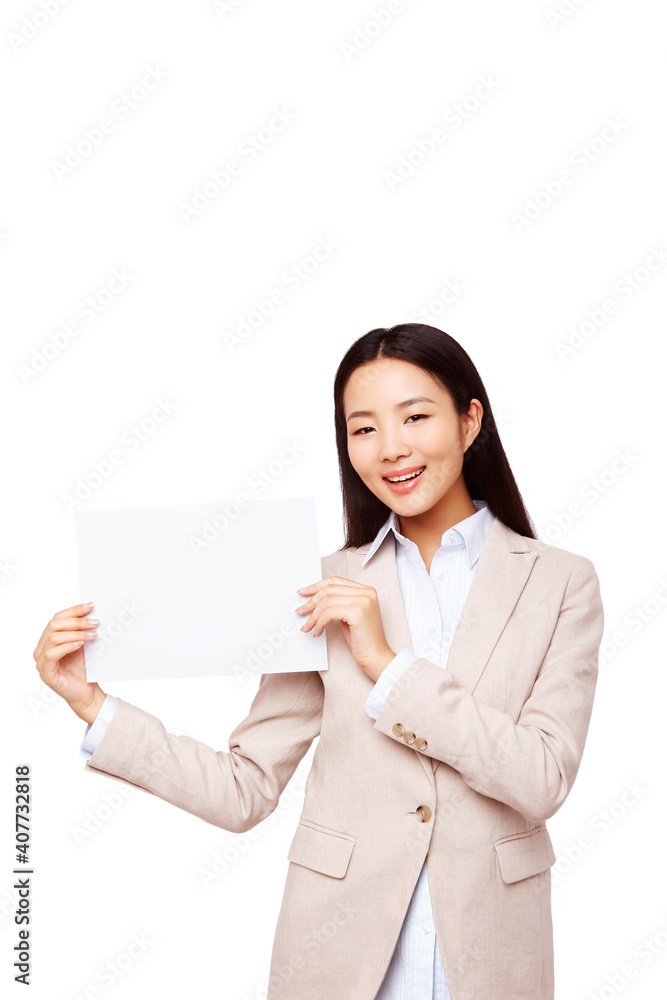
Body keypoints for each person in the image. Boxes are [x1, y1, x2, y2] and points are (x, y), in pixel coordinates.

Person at [33, 323, 604, 1000]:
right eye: (361, 429)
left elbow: (540, 779)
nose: (391, 448)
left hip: (491, 959)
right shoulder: (315, 587)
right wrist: (92, 705)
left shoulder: (560, 582)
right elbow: (243, 789)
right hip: (337, 955)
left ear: (468, 419)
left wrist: (385, 665)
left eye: (415, 417)